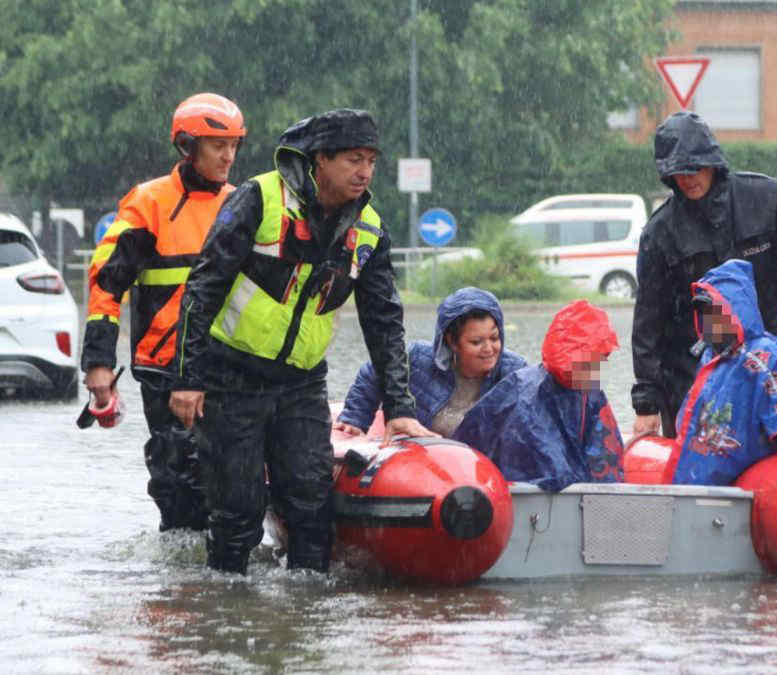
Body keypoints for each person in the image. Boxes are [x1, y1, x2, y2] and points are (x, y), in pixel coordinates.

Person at [168, 109, 432, 575]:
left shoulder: (368, 228)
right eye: (353, 159)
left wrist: (400, 408)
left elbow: (384, 321)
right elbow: (202, 288)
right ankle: (225, 610)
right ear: (320, 159)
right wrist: (187, 378)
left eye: (371, 160)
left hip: (303, 384)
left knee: (311, 504)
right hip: (232, 376)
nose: (365, 171)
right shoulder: (260, 198)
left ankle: (307, 610)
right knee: (238, 512)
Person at [80, 92, 246, 532]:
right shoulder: (148, 202)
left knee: (232, 479)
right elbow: (105, 282)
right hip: (164, 368)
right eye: (218, 145)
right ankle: (180, 584)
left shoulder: (241, 204)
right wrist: (98, 364)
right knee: (180, 478)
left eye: (234, 145)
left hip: (227, 365)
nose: (229, 156)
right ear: (187, 147)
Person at [631, 111, 777, 440]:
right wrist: (646, 404)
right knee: (702, 470)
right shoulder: (659, 233)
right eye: (677, 172)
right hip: (692, 375)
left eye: (694, 167)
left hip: (769, 363)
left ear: (713, 162)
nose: (688, 179)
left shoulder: (765, 198)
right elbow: (647, 323)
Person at [667, 259, 777, 486]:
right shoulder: (711, 357)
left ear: (736, 310)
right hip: (707, 466)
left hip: (748, 468)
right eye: (705, 316)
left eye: (715, 314)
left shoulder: (763, 353)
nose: (710, 322)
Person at [454, 300, 624, 492]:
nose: (597, 368)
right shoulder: (527, 392)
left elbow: (605, 453)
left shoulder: (590, 392)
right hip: (517, 494)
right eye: (595, 361)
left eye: (600, 360)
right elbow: (549, 466)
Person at [333, 286, 527, 440]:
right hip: (423, 464)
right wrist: (355, 419)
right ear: (452, 342)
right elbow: (375, 371)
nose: (489, 349)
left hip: (483, 469)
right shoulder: (417, 358)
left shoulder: (515, 371)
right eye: (476, 342)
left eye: (494, 338)